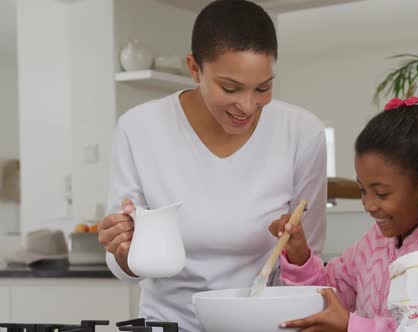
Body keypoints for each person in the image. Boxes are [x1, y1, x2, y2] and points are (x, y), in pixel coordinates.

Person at [97, 1, 327, 331]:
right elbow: (124, 267)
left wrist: (297, 252)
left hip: (265, 324)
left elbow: (309, 263)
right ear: (194, 69)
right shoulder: (139, 128)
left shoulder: (303, 134)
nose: (248, 106)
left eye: (263, 88)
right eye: (230, 88)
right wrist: (123, 249)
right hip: (168, 323)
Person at [270, 97, 418, 331]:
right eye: (363, 191)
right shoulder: (374, 242)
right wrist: (300, 257)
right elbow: (328, 295)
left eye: (381, 194)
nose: (369, 205)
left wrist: (351, 326)